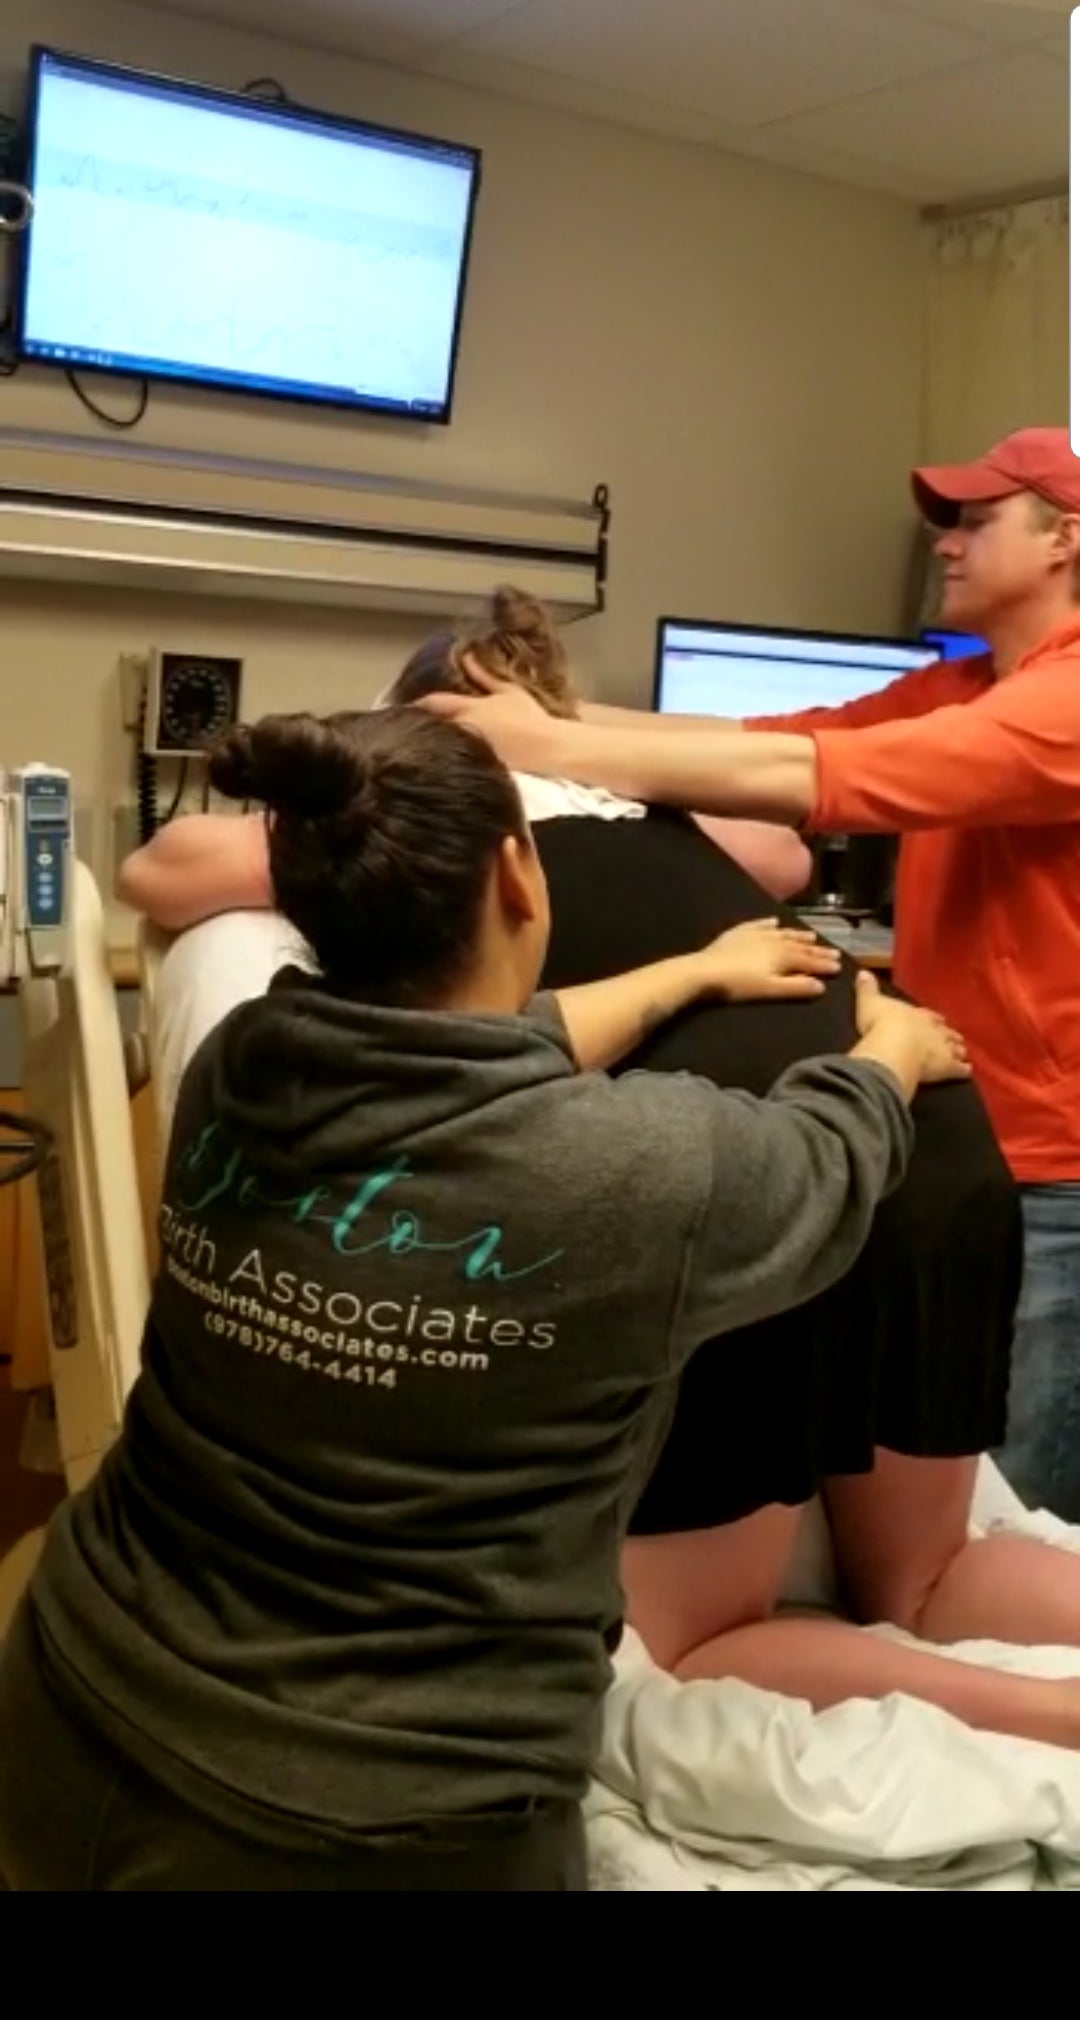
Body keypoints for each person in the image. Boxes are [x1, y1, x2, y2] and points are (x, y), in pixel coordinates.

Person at [0, 706, 944, 1894]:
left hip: (65, 1708)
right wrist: (892, 1050)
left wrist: (689, 975)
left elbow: (476, 1054)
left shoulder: (246, 1062)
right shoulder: (642, 1174)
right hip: (365, 1829)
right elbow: (831, 1155)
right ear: (517, 873)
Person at [118, 598, 1080, 1749]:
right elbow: (782, 850)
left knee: (700, 1638)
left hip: (767, 1151)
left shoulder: (437, 846)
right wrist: (608, 765)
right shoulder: (660, 812)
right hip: (940, 1129)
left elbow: (163, 871)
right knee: (930, 1577)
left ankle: (1054, 1716)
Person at [425, 438, 1080, 1525]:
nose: (943, 543)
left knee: (1025, 1507)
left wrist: (546, 745)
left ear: (1065, 539)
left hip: (1054, 1164)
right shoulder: (970, 686)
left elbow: (814, 775)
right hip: (956, 1120)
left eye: (976, 521)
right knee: (933, 1495)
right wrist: (545, 716)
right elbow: (771, 734)